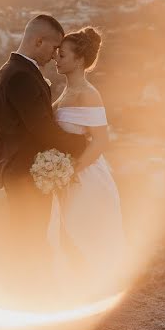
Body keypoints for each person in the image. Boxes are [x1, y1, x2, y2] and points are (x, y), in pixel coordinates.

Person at [0, 14, 86, 266]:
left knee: (25, 236)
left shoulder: (9, 70)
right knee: (30, 237)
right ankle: (29, 292)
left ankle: (25, 290)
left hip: (19, 170)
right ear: (39, 41)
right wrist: (81, 143)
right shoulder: (22, 76)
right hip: (26, 174)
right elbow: (43, 130)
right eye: (54, 48)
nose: (55, 56)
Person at [50, 26, 125, 289]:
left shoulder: (88, 94)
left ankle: (90, 292)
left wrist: (71, 171)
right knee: (66, 236)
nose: (56, 59)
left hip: (86, 178)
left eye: (62, 55)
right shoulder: (66, 91)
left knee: (82, 236)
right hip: (67, 175)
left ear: (79, 60)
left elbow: (102, 141)